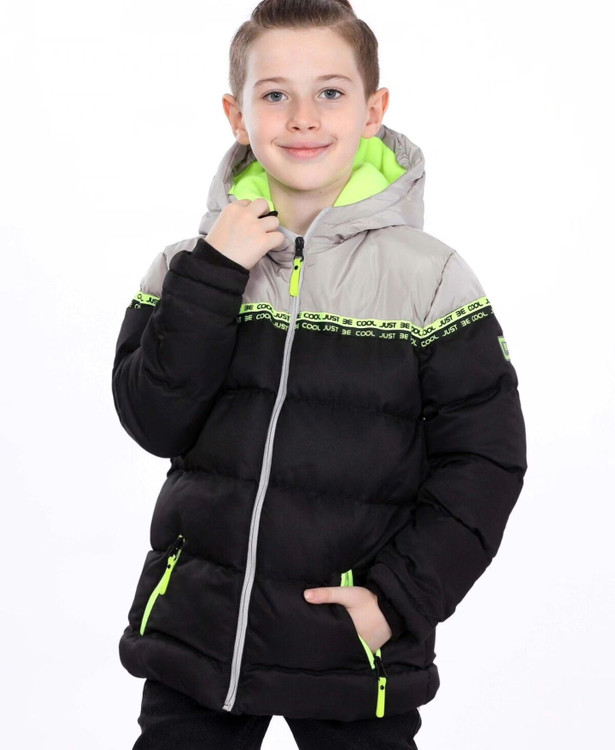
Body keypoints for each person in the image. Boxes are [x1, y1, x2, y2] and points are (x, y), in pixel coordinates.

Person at [111, 1, 527, 748]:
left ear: (373, 110)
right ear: (238, 116)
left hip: (346, 646)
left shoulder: (429, 280)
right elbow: (154, 421)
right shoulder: (187, 266)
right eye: (275, 94)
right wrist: (214, 274)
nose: (303, 117)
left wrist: (395, 599)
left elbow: (486, 461)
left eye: (330, 92)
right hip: (199, 637)